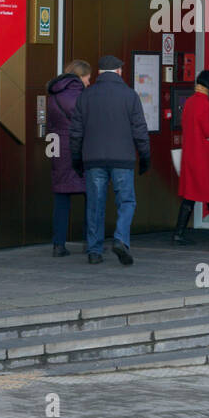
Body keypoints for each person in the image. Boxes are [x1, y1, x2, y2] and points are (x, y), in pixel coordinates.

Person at [69, 54, 150, 266]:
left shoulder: (86, 96)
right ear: (118, 72)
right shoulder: (130, 95)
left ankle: (94, 251)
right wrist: (145, 157)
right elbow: (140, 130)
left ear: (99, 73)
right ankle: (121, 239)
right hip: (122, 159)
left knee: (95, 204)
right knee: (126, 201)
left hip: (93, 160)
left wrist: (76, 159)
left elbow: (76, 132)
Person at [172, 69, 209, 246]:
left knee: (193, 195)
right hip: (202, 157)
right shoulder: (204, 104)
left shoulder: (191, 101)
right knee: (206, 194)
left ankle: (180, 233)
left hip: (191, 155)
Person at [45, 59, 91, 257]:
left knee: (61, 199)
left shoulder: (53, 94)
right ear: (80, 76)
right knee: (92, 196)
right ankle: (91, 242)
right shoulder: (79, 95)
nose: (89, 82)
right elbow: (87, 123)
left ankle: (58, 244)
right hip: (78, 149)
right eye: (88, 78)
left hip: (57, 150)